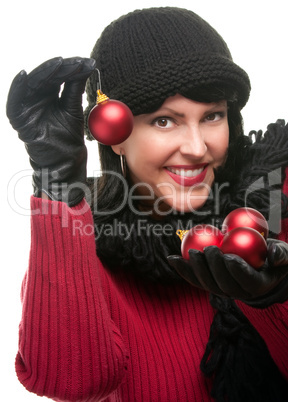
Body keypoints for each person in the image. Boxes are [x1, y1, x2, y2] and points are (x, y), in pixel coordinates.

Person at [6, 6, 288, 402]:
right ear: (114, 134)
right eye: (163, 121)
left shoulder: (274, 202)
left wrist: (274, 298)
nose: (196, 148)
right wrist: (57, 183)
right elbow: (69, 383)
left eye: (212, 116)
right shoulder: (82, 247)